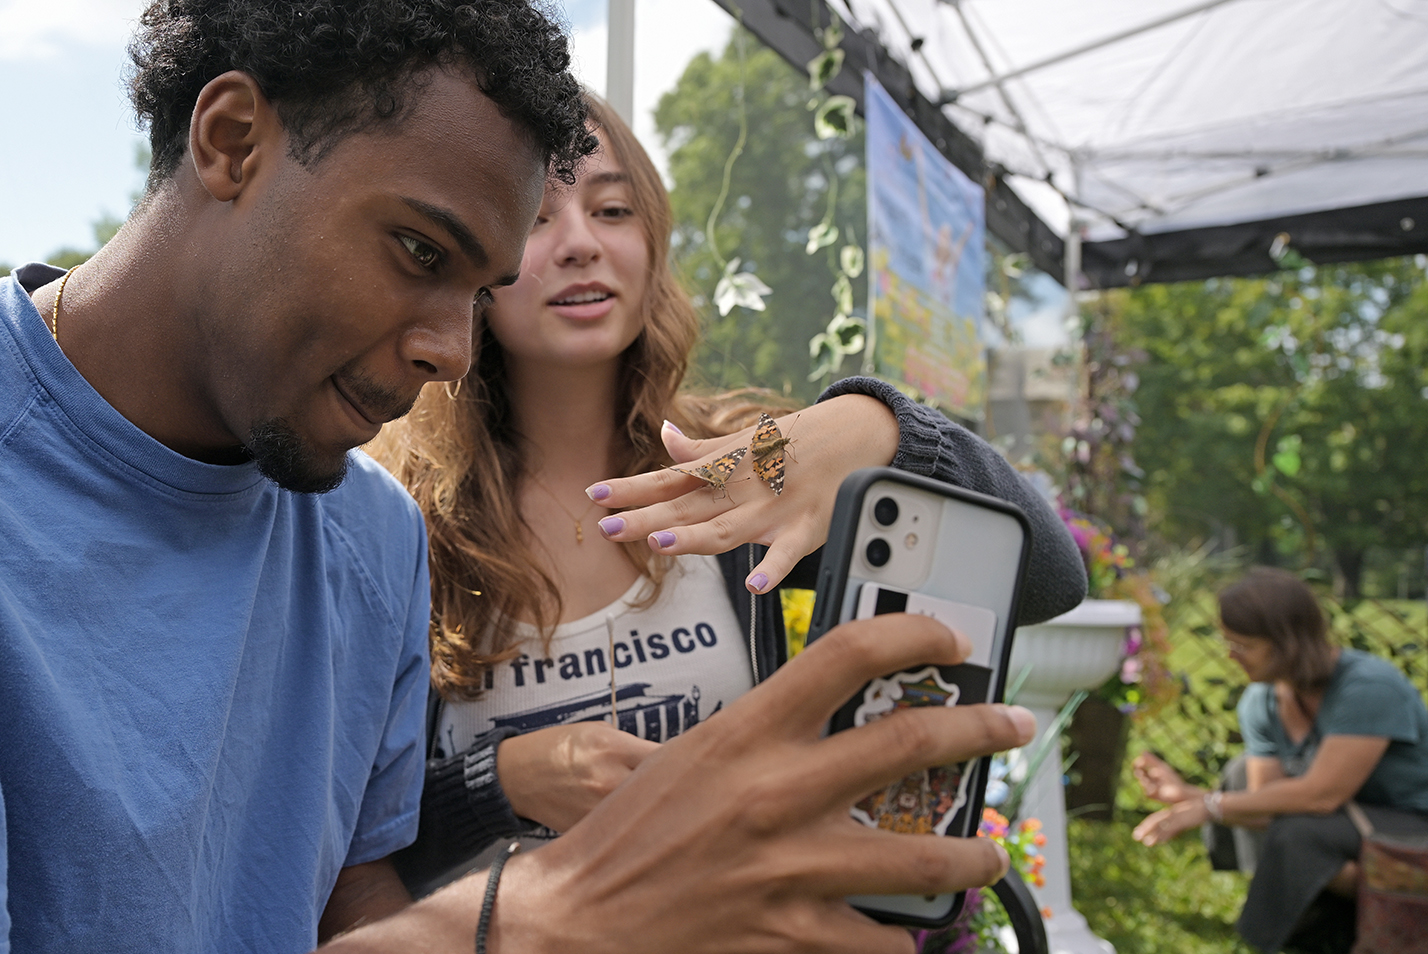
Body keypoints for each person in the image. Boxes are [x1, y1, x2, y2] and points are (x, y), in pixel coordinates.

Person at [1, 2, 1047, 952]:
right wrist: (533, 907)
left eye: (478, 283)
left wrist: (870, 426)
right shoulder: (416, 520)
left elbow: (343, 898)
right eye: (419, 250)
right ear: (232, 140)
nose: (449, 349)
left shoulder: (367, 537)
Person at [370, 92, 1087, 889]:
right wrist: (499, 781)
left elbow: (1048, 577)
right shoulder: (397, 521)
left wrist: (879, 427)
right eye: (535, 216)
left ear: (652, 242)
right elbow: (346, 851)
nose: (579, 243)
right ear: (476, 257)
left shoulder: (750, 466)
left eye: (612, 208)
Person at [1132, 567, 1428, 953]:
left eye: (1242, 644)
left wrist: (1208, 806)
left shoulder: (1367, 688)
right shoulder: (1262, 700)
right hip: (1353, 823)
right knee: (1241, 778)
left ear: (1287, 643)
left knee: (1299, 834)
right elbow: (1265, 806)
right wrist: (1189, 797)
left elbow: (1320, 796)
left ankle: (1398, 911)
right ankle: (1351, 918)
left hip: (1412, 823)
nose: (1230, 654)